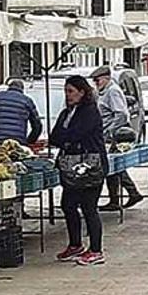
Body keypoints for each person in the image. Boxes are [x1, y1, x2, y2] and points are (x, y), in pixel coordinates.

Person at [50, 75, 108, 266]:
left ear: (82, 92)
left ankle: (96, 249)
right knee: (68, 204)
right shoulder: (67, 113)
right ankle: (75, 244)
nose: (68, 96)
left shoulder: (89, 112)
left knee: (89, 207)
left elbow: (76, 134)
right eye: (66, 92)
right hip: (70, 167)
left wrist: (67, 138)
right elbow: (55, 136)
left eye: (71, 91)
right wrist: (65, 138)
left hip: (90, 165)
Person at [90, 65, 144, 211]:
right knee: (111, 166)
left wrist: (108, 130)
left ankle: (131, 192)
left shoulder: (113, 91)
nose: (96, 83)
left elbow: (121, 114)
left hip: (113, 136)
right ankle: (117, 198)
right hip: (105, 134)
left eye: (98, 80)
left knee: (113, 165)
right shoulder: (102, 92)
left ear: (106, 78)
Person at [0, 78, 42, 145]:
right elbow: (37, 125)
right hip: (18, 141)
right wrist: (30, 141)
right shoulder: (27, 101)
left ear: (9, 87)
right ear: (22, 89)